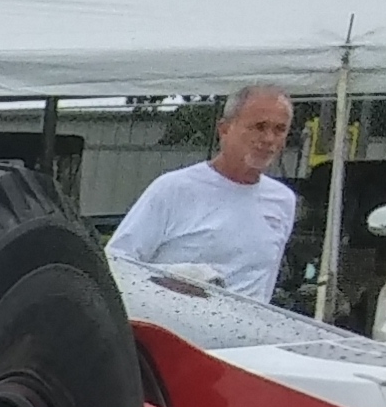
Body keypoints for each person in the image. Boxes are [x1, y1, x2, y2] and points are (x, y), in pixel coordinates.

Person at [109, 84, 301, 299]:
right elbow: (117, 263)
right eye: (259, 126)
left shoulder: (283, 200)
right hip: (174, 326)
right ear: (225, 129)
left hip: (247, 329)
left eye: (279, 129)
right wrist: (175, 279)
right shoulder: (173, 189)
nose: (268, 139)